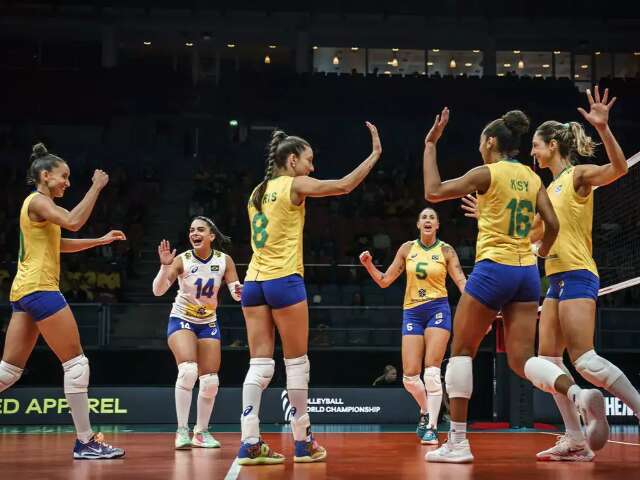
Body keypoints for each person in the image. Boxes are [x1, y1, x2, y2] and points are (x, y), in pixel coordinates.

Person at [421, 108, 608, 463]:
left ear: (491, 142)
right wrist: (544, 250)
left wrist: (431, 145)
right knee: (522, 359)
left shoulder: (486, 173)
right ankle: (578, 395)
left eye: (481, 141)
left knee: (461, 350)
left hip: (494, 268)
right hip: (526, 274)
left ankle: (458, 443)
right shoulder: (530, 176)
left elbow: (433, 192)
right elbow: (551, 222)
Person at [237, 123, 382, 465]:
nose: (312, 168)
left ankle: (250, 441)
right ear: (291, 160)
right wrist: (374, 155)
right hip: (284, 280)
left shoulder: (256, 191)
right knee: (296, 364)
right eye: (308, 160)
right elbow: (344, 186)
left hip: (254, 282)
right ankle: (302, 442)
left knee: (259, 366)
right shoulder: (294, 184)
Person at [530, 87, 639, 461]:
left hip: (578, 273)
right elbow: (532, 235)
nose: (533, 152)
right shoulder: (547, 189)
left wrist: (604, 129)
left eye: (536, 145)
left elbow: (620, 169)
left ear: (553, 146)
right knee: (548, 361)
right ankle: (575, 439)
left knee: (585, 360)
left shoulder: (577, 176)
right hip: (555, 279)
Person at [1, 143, 126, 459]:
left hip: (23, 291)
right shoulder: (39, 202)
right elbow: (71, 221)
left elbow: (61, 242)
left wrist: (99, 240)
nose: (68, 183)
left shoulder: (40, 207)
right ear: (45, 175)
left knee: (8, 373)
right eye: (64, 177)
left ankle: (86, 442)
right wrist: (96, 187)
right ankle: (85, 442)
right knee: (76, 365)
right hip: (41, 289)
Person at [360, 207, 466, 444]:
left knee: (431, 372)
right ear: (418, 224)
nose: (428, 220)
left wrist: (477, 311)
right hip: (412, 312)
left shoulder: (446, 250)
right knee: (409, 377)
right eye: (424, 218)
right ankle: (426, 410)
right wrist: (368, 265)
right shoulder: (408, 249)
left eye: (432, 218)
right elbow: (385, 281)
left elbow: (461, 282)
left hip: (437, 308)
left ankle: (430, 427)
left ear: (437, 225)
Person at [152, 216, 242, 450]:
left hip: (208, 321)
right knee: (188, 371)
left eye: (200, 230)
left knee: (211, 381)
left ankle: (201, 433)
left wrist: (242, 290)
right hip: (181, 319)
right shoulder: (181, 260)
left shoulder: (225, 261)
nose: (195, 233)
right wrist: (164, 266)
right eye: (192, 230)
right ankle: (182, 430)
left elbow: (236, 293)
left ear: (211, 236)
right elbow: (158, 291)